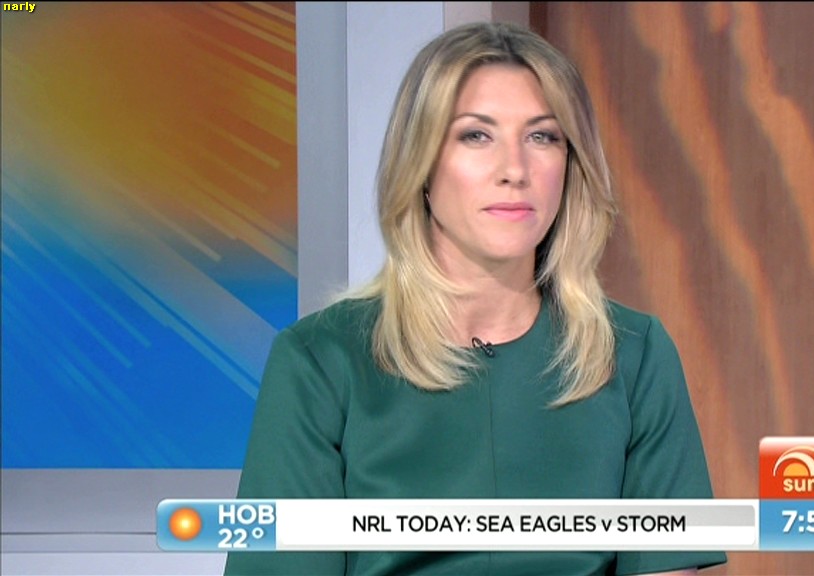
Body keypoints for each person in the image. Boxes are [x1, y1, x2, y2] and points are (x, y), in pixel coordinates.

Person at [224, 21, 726, 576]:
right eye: (476, 136)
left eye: (543, 137)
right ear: (421, 164)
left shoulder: (635, 355)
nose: (514, 170)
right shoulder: (321, 361)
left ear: (571, 164)